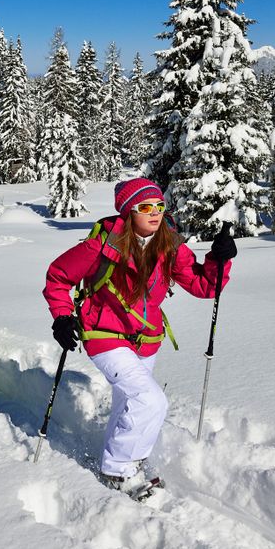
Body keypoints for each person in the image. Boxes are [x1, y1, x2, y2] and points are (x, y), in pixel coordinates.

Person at [42, 177, 237, 496]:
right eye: (146, 207)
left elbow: (203, 286)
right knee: (150, 400)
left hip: (145, 338)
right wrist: (62, 317)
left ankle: (118, 458)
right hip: (102, 332)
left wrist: (219, 259)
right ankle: (119, 470)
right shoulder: (102, 244)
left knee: (127, 402)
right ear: (128, 211)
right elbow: (58, 277)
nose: (155, 212)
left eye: (160, 205)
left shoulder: (169, 244)